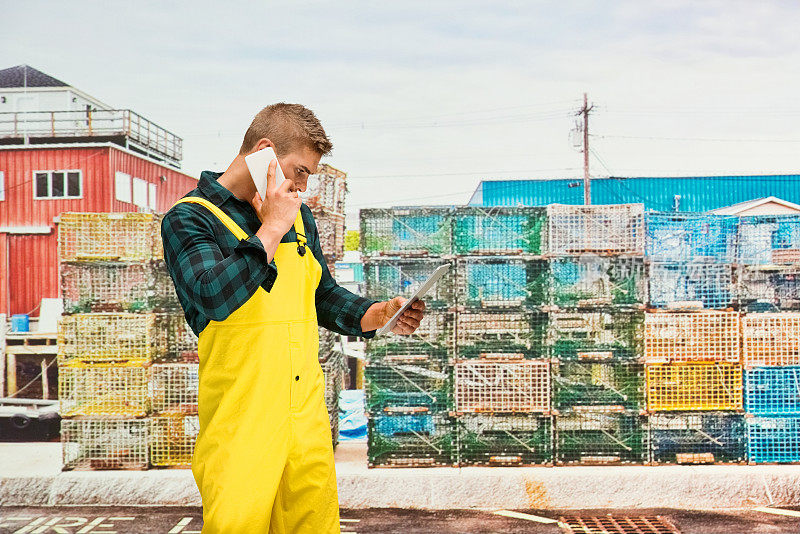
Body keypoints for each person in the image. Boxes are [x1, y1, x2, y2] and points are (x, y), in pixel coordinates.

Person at [160, 103, 426, 533]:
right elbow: (213, 295)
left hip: (305, 421)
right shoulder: (191, 219)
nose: (303, 186)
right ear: (264, 151)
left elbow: (321, 295)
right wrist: (270, 230)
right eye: (299, 171)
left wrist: (377, 314)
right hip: (240, 424)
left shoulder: (298, 217)